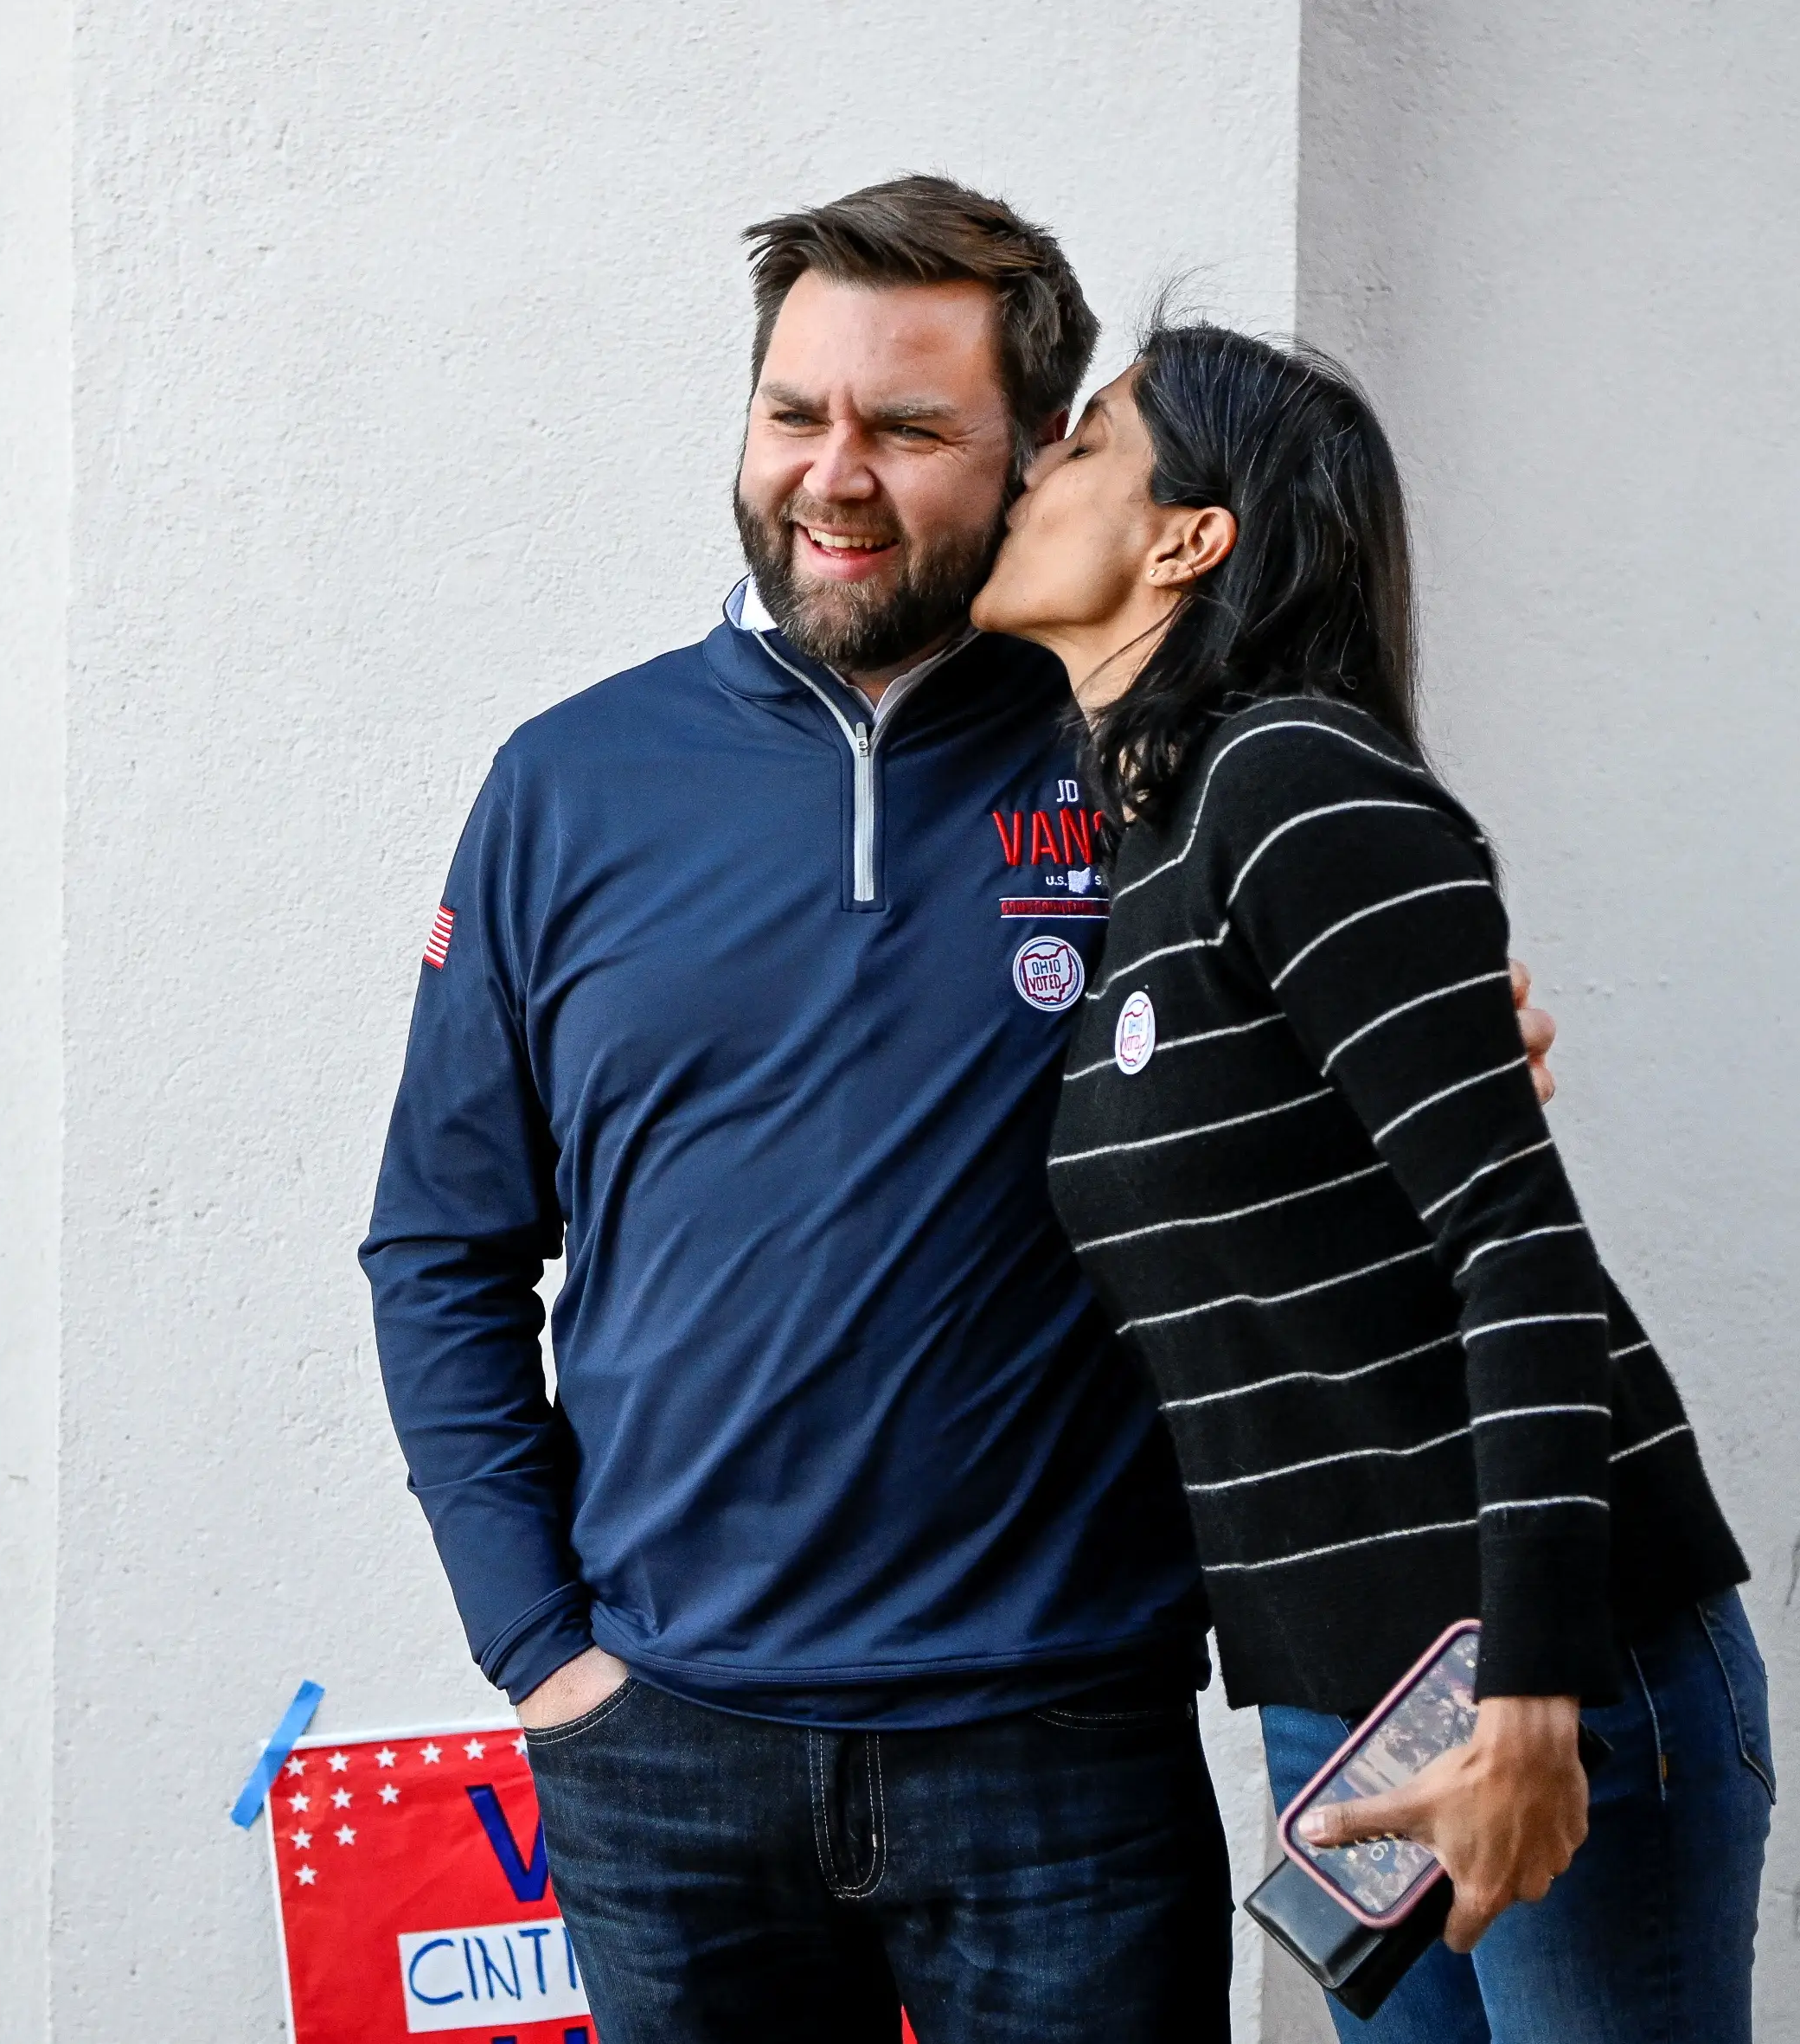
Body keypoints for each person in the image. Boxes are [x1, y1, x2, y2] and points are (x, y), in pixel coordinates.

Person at [361, 179, 1553, 2044]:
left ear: (1026, 465)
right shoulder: (562, 785)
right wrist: (539, 1649)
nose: (830, 475)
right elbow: (440, 1240)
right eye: (791, 412)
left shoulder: (1146, 763)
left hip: (1060, 1749)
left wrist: (1441, 1041)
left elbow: (1333, 1093)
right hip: (665, 1749)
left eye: (909, 430)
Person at [972, 323, 1771, 2043]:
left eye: (1087, 438)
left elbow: (1520, 1246)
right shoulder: (1151, 849)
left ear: (1188, 535)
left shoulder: (1289, 781)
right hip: (1345, 1702)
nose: (1033, 467)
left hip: (1542, 1673)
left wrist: (1534, 1695)